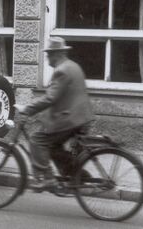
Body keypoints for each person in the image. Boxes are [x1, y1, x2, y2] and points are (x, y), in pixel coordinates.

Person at [15, 37, 95, 191]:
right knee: (53, 146)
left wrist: (27, 109)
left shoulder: (61, 71)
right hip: (81, 117)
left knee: (37, 140)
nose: (47, 58)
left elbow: (50, 98)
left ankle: (47, 179)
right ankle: (76, 174)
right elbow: (64, 97)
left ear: (57, 54)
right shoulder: (74, 66)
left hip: (70, 119)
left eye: (49, 54)